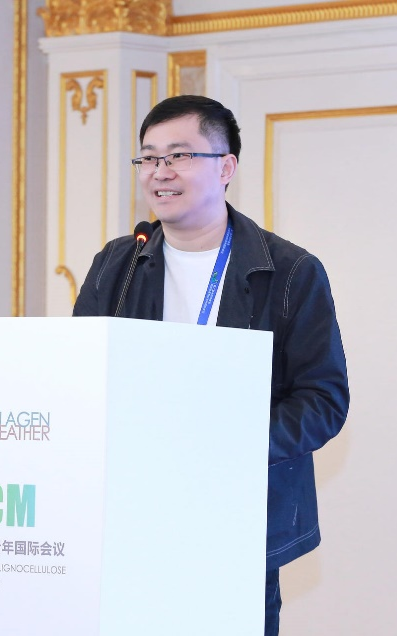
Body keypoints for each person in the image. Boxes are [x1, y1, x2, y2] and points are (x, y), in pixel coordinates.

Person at [73, 95, 349, 635]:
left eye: (178, 155)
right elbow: (80, 376)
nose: (159, 172)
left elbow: (323, 401)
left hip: (236, 525)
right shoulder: (118, 263)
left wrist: (229, 445)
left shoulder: (289, 271)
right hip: (132, 521)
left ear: (226, 167)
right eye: (148, 157)